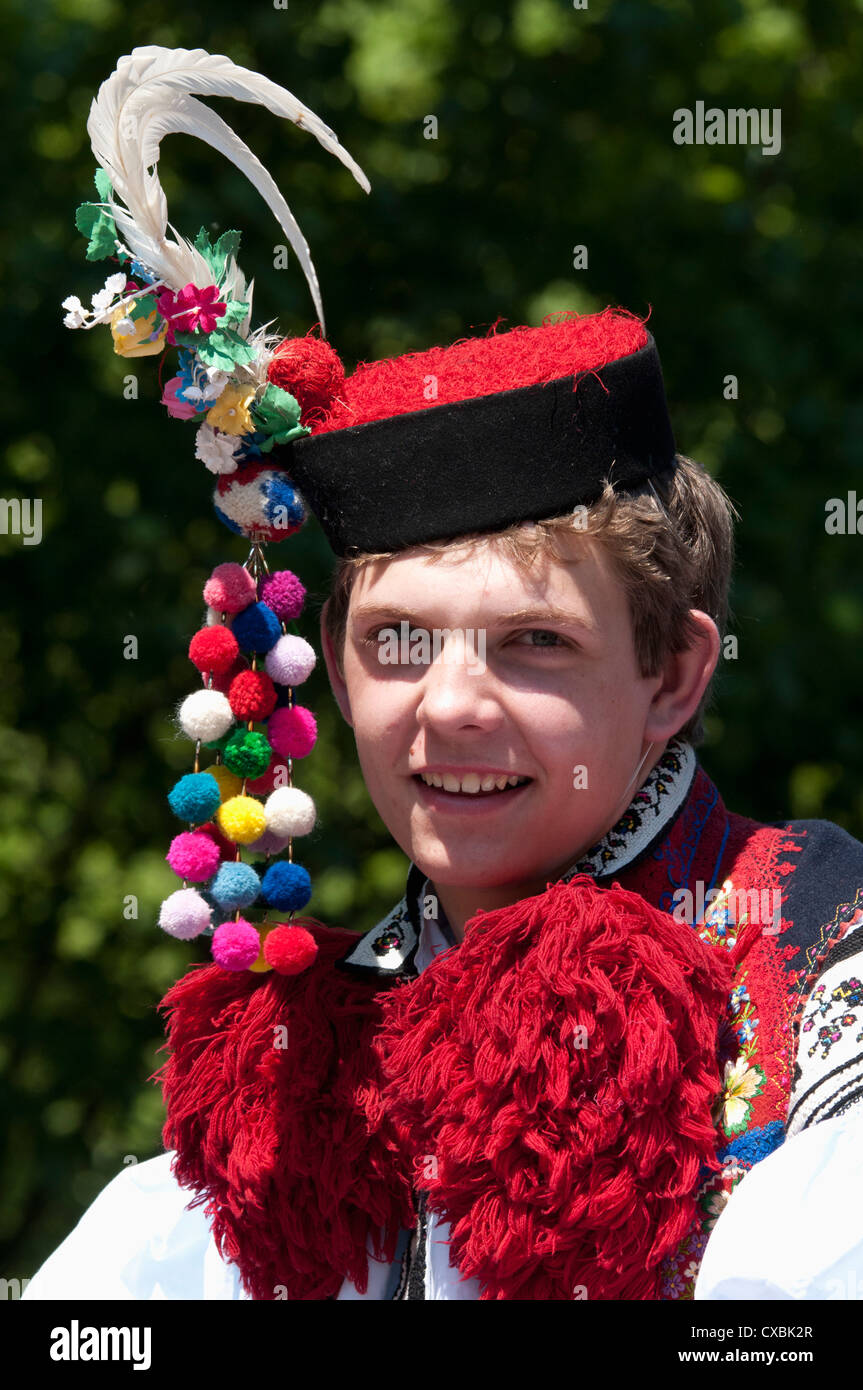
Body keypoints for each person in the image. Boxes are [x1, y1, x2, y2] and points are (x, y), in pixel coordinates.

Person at [24, 48, 863, 1302]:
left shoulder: (820, 981)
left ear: (674, 675)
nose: (450, 704)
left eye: (534, 642)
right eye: (396, 641)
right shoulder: (306, 1077)